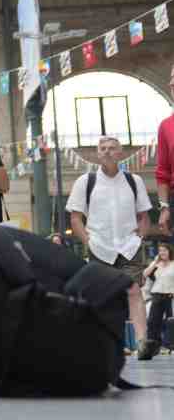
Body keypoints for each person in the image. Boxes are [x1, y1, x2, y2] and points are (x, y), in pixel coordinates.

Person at [66, 136, 152, 359]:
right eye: (102, 148)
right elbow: (75, 218)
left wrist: (140, 237)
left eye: (112, 148)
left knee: (133, 290)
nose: (107, 151)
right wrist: (88, 241)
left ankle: (142, 343)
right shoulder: (86, 181)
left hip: (129, 246)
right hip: (99, 246)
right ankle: (109, 343)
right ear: (96, 153)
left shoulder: (134, 181)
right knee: (104, 296)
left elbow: (144, 216)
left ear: (121, 153)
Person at [144, 244, 174, 357]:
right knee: (152, 322)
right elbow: (145, 274)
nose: (162, 253)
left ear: (169, 251)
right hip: (157, 295)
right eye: (160, 251)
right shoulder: (156, 264)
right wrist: (154, 263)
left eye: (164, 250)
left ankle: (168, 346)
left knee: (170, 322)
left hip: (170, 295)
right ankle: (153, 346)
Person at [156, 64, 174, 234]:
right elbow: (163, 172)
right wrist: (165, 207)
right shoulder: (166, 126)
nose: (172, 85)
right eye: (172, 81)